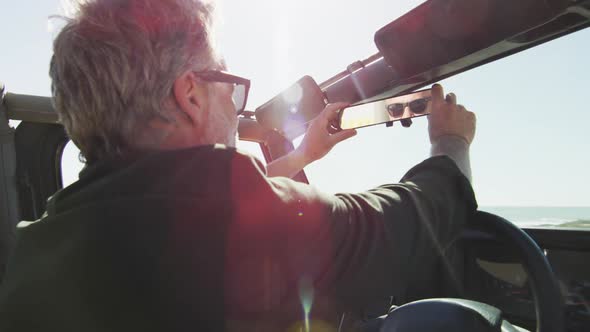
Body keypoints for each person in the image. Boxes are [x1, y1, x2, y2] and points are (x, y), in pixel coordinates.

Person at [0, 1, 477, 331]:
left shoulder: (32, 252)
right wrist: (450, 141)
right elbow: (408, 220)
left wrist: (305, 155)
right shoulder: (251, 218)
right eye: (228, 83)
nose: (234, 103)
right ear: (190, 95)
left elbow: (181, 204)